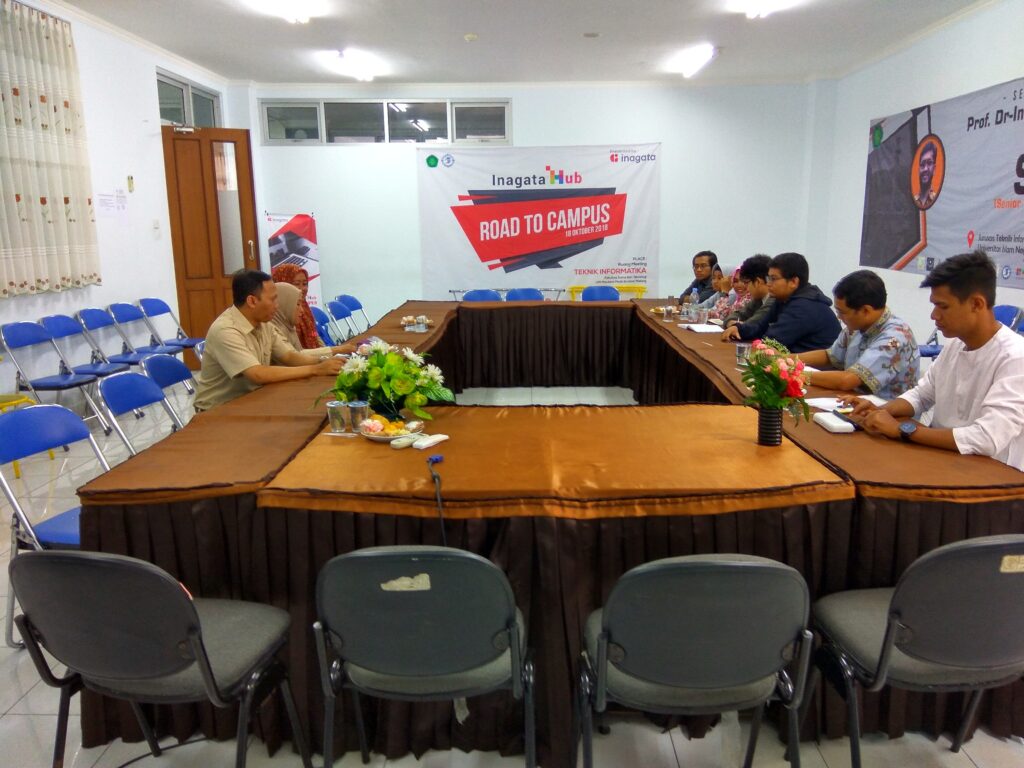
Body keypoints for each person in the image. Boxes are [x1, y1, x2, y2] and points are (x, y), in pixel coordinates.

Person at [849, 251, 1024, 470]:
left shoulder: (1016, 357)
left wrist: (900, 430)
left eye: (943, 306)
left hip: (992, 476)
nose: (934, 315)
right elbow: (921, 395)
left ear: (977, 304)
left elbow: (985, 438)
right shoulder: (955, 344)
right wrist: (881, 410)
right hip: (945, 460)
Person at [193, 269, 344, 411]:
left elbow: (289, 356)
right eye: (273, 300)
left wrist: (323, 362)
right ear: (252, 301)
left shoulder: (264, 323)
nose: (277, 306)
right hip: (219, 410)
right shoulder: (225, 330)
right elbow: (257, 374)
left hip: (253, 399)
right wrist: (315, 370)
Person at [797, 270, 919, 399]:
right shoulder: (856, 327)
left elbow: (847, 380)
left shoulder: (895, 338)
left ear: (865, 310)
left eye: (842, 312)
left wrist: (797, 374)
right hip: (854, 401)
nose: (839, 317)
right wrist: (788, 360)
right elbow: (830, 356)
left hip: (887, 409)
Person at [723, 252, 840, 353]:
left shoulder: (804, 306)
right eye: (768, 278)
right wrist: (739, 329)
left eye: (773, 279)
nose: (768, 284)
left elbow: (772, 340)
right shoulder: (783, 298)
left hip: (816, 368)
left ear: (793, 281)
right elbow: (760, 327)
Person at [270, 282, 349, 356]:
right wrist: (337, 350)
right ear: (284, 302)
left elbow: (314, 338)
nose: (302, 310)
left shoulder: (289, 325)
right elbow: (294, 357)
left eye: (305, 283)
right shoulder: (272, 329)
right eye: (298, 304)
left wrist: (332, 354)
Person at [271, 263, 320, 349]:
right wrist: (335, 350)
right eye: (297, 284)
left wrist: (333, 352)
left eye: (305, 284)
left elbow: (315, 336)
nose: (302, 288)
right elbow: (293, 354)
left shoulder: (305, 310)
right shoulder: (275, 318)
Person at [722, 254, 773, 333]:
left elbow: (752, 324)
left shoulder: (774, 299)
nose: (746, 288)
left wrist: (738, 326)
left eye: (746, 283)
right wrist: (731, 322)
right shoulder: (758, 299)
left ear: (758, 282)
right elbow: (737, 315)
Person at [914, 140, 939, 210]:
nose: (925, 169)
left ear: (934, 169)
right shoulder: (913, 201)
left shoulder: (937, 199)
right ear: (918, 170)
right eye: (922, 164)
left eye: (929, 163)